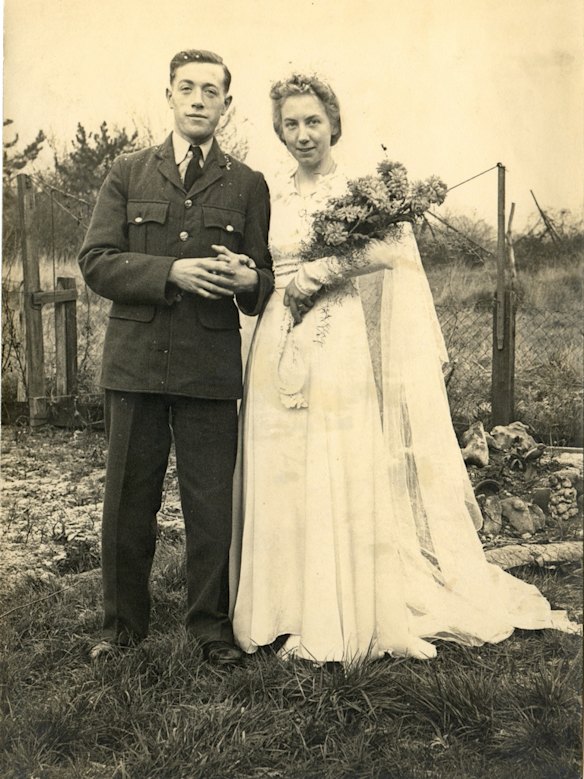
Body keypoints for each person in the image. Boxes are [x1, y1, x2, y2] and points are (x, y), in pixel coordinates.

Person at [230, 73, 577, 663]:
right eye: (290, 123)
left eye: (313, 120)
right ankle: (281, 610)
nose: (302, 134)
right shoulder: (271, 193)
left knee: (332, 462)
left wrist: (323, 272)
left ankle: (339, 613)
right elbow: (263, 262)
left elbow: (391, 250)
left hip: (332, 332)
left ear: (333, 122)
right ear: (278, 131)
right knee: (280, 463)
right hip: (274, 335)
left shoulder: (360, 190)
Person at [79, 50, 273, 667]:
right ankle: (119, 629)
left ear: (226, 105)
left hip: (209, 369)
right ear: (168, 95)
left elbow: (263, 280)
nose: (197, 100)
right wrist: (173, 272)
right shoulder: (128, 172)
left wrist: (248, 281)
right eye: (186, 88)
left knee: (211, 504)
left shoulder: (248, 184)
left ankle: (210, 630)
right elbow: (96, 262)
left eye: (210, 91)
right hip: (135, 364)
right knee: (128, 499)